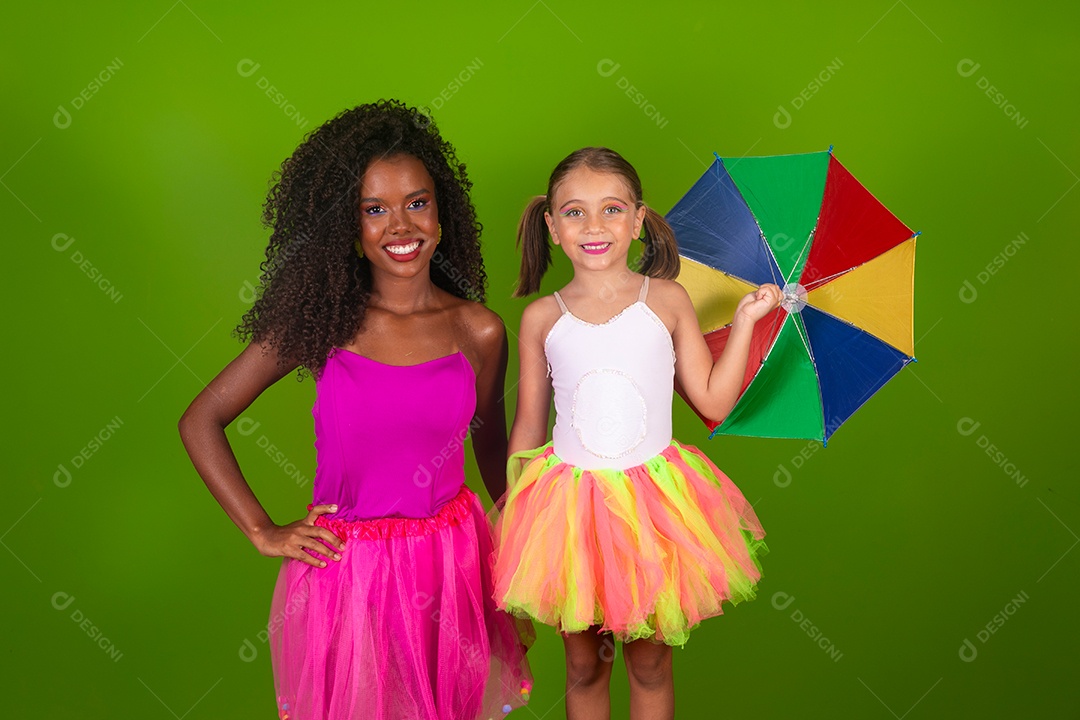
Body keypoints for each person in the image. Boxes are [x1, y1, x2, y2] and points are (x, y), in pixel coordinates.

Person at [178, 100, 531, 720]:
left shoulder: (478, 330)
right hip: (349, 572)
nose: (401, 226)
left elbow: (492, 448)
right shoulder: (324, 325)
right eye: (375, 209)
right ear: (348, 224)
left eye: (418, 202)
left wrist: (535, 546)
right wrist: (262, 530)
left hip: (449, 567)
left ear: (442, 213)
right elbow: (200, 419)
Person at [493, 147, 780, 719]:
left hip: (654, 511)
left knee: (650, 664)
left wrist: (746, 321)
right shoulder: (541, 318)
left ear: (638, 219)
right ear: (551, 226)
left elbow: (712, 397)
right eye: (574, 212)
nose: (594, 226)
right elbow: (528, 422)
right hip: (568, 512)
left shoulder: (667, 301)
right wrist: (513, 509)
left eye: (611, 210)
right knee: (584, 665)